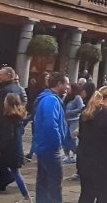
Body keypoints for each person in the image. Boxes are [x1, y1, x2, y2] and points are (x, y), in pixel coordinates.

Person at [77, 85, 107, 203]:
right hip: (106, 162)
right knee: (105, 197)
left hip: (86, 160)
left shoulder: (85, 113)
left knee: (86, 195)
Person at [0, 67, 28, 191]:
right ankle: (3, 176)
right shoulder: (19, 88)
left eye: (2, 73)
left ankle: (5, 174)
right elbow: (24, 104)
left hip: (4, 125)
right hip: (16, 125)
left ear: (9, 75)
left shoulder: (4, 91)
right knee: (5, 154)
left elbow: (0, 109)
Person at [32, 73, 69, 203]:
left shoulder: (49, 98)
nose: (67, 87)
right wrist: (57, 143)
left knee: (43, 181)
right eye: (66, 83)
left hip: (43, 146)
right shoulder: (51, 100)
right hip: (49, 147)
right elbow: (50, 124)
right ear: (59, 84)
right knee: (54, 183)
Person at [62, 84, 84, 164]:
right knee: (64, 137)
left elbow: (81, 108)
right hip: (66, 120)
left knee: (73, 137)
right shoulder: (66, 97)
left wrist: (70, 112)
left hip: (74, 120)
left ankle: (75, 153)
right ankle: (66, 155)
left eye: (69, 88)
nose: (67, 89)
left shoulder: (77, 98)